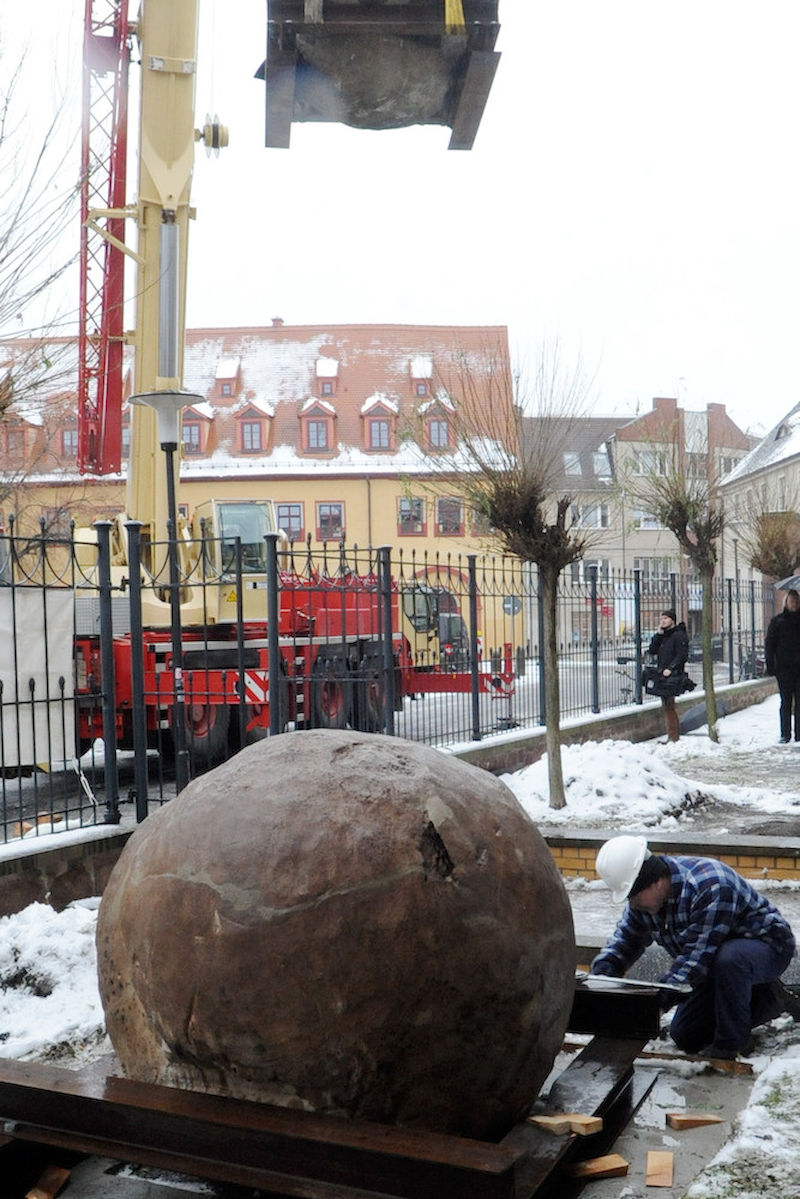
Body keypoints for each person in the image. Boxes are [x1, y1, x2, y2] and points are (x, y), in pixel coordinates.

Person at [590, 835, 800, 1059]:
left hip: (766, 948)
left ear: (656, 881)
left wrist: (655, 1002)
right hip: (713, 965)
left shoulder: (710, 885)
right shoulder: (642, 900)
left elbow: (695, 960)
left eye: (634, 896)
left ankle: (733, 1043)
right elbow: (625, 940)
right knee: (686, 1035)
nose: (632, 904)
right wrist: (603, 977)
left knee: (730, 959)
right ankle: (759, 997)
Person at [648, 609, 689, 743]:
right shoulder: (664, 635)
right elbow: (652, 650)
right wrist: (658, 634)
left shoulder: (678, 635)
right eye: (661, 619)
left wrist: (671, 669)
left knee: (669, 706)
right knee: (666, 705)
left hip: (673, 676)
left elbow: (681, 655)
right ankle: (672, 736)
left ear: (672, 620)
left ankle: (673, 737)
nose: (663, 621)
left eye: (666, 618)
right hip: (662, 675)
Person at [765, 588, 800, 743]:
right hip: (784, 669)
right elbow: (770, 645)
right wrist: (770, 665)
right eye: (792, 601)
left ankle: (799, 734)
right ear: (786, 602)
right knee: (785, 702)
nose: (794, 604)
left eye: (797, 601)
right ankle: (785, 734)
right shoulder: (777, 622)